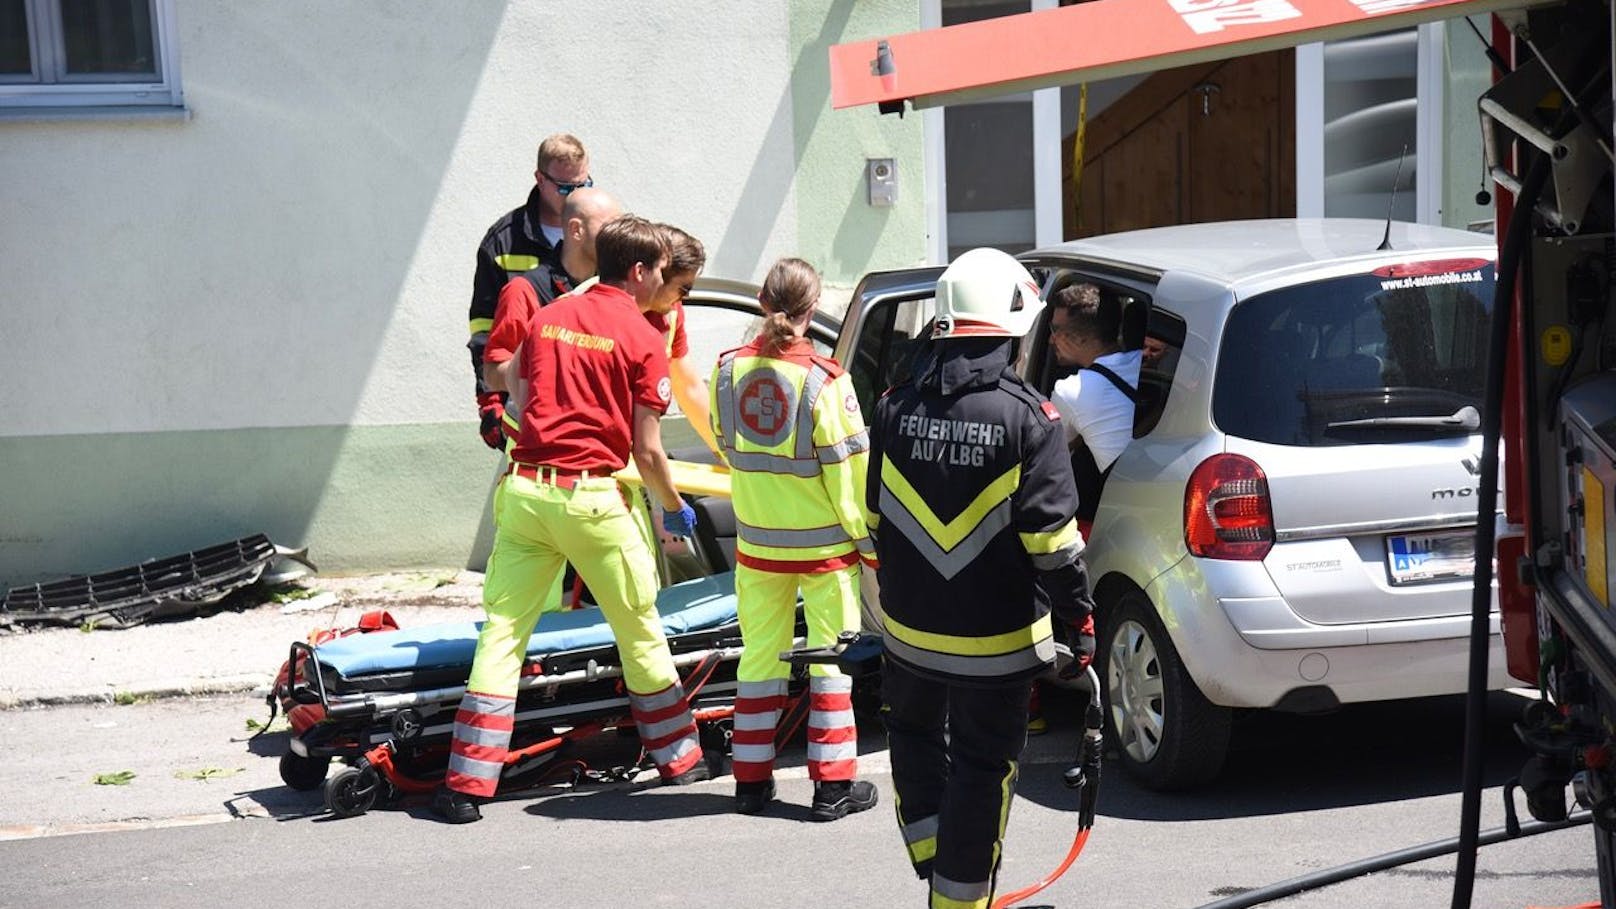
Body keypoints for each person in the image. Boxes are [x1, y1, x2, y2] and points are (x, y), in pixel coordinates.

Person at [434, 216, 706, 823]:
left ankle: (464, 787)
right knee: (638, 629)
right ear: (639, 272)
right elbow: (648, 450)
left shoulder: (550, 315)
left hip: (528, 494)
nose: (665, 282)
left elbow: (510, 388)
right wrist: (672, 506)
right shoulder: (640, 338)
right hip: (592, 502)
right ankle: (682, 761)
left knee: (503, 634)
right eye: (663, 272)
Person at [868, 247, 1096, 907]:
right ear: (1013, 327)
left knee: (910, 734)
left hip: (908, 634)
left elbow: (874, 516)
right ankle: (956, 894)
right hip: (995, 647)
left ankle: (932, 851)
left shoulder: (891, 406)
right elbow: (1054, 546)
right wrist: (1080, 627)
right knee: (980, 768)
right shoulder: (1030, 419)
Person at [709, 257, 879, 820]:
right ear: (812, 312)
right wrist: (871, 546)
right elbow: (851, 476)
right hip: (826, 552)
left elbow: (726, 448)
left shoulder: (727, 371)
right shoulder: (827, 382)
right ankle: (833, 788)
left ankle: (751, 784)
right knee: (831, 663)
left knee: (759, 660)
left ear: (761, 300)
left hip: (758, 549)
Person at [469, 133, 594, 449]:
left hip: (589, 396)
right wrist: (491, 402)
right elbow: (485, 329)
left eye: (584, 184)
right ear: (540, 178)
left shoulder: (601, 233)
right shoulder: (504, 242)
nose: (575, 195)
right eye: (565, 188)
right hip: (526, 399)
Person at [482, 186, 623, 443]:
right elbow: (492, 373)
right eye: (610, 227)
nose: (619, 237)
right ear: (576, 230)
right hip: (539, 442)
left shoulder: (613, 290)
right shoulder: (525, 290)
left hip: (598, 440)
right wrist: (548, 370)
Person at [1047, 282, 1141, 533]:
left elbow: (1053, 455)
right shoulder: (1143, 362)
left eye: (1055, 330)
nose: (1050, 339)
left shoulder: (1071, 390)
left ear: (1077, 338)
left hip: (1120, 515)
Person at [649, 224, 718, 456]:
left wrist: (727, 454)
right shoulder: (599, 308)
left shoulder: (672, 311)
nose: (685, 297)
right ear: (656, 275)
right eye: (683, 288)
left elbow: (688, 386)